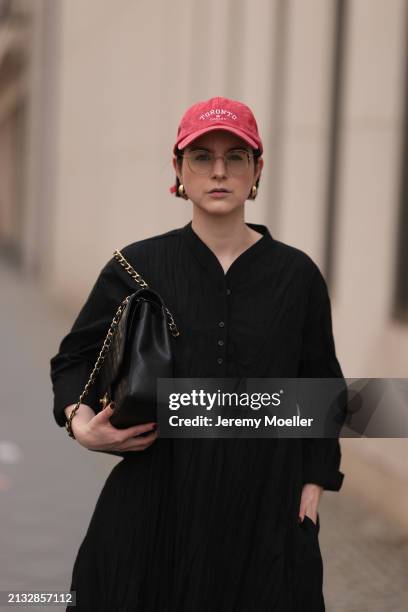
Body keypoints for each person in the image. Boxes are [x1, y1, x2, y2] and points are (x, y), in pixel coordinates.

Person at [50, 96, 345, 611]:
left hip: (264, 506)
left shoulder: (296, 277)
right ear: (178, 170)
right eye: (201, 157)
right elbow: (75, 359)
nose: (219, 171)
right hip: (155, 500)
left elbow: (321, 382)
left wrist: (316, 479)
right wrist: (80, 421)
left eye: (236, 156)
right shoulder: (136, 265)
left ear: (257, 170)